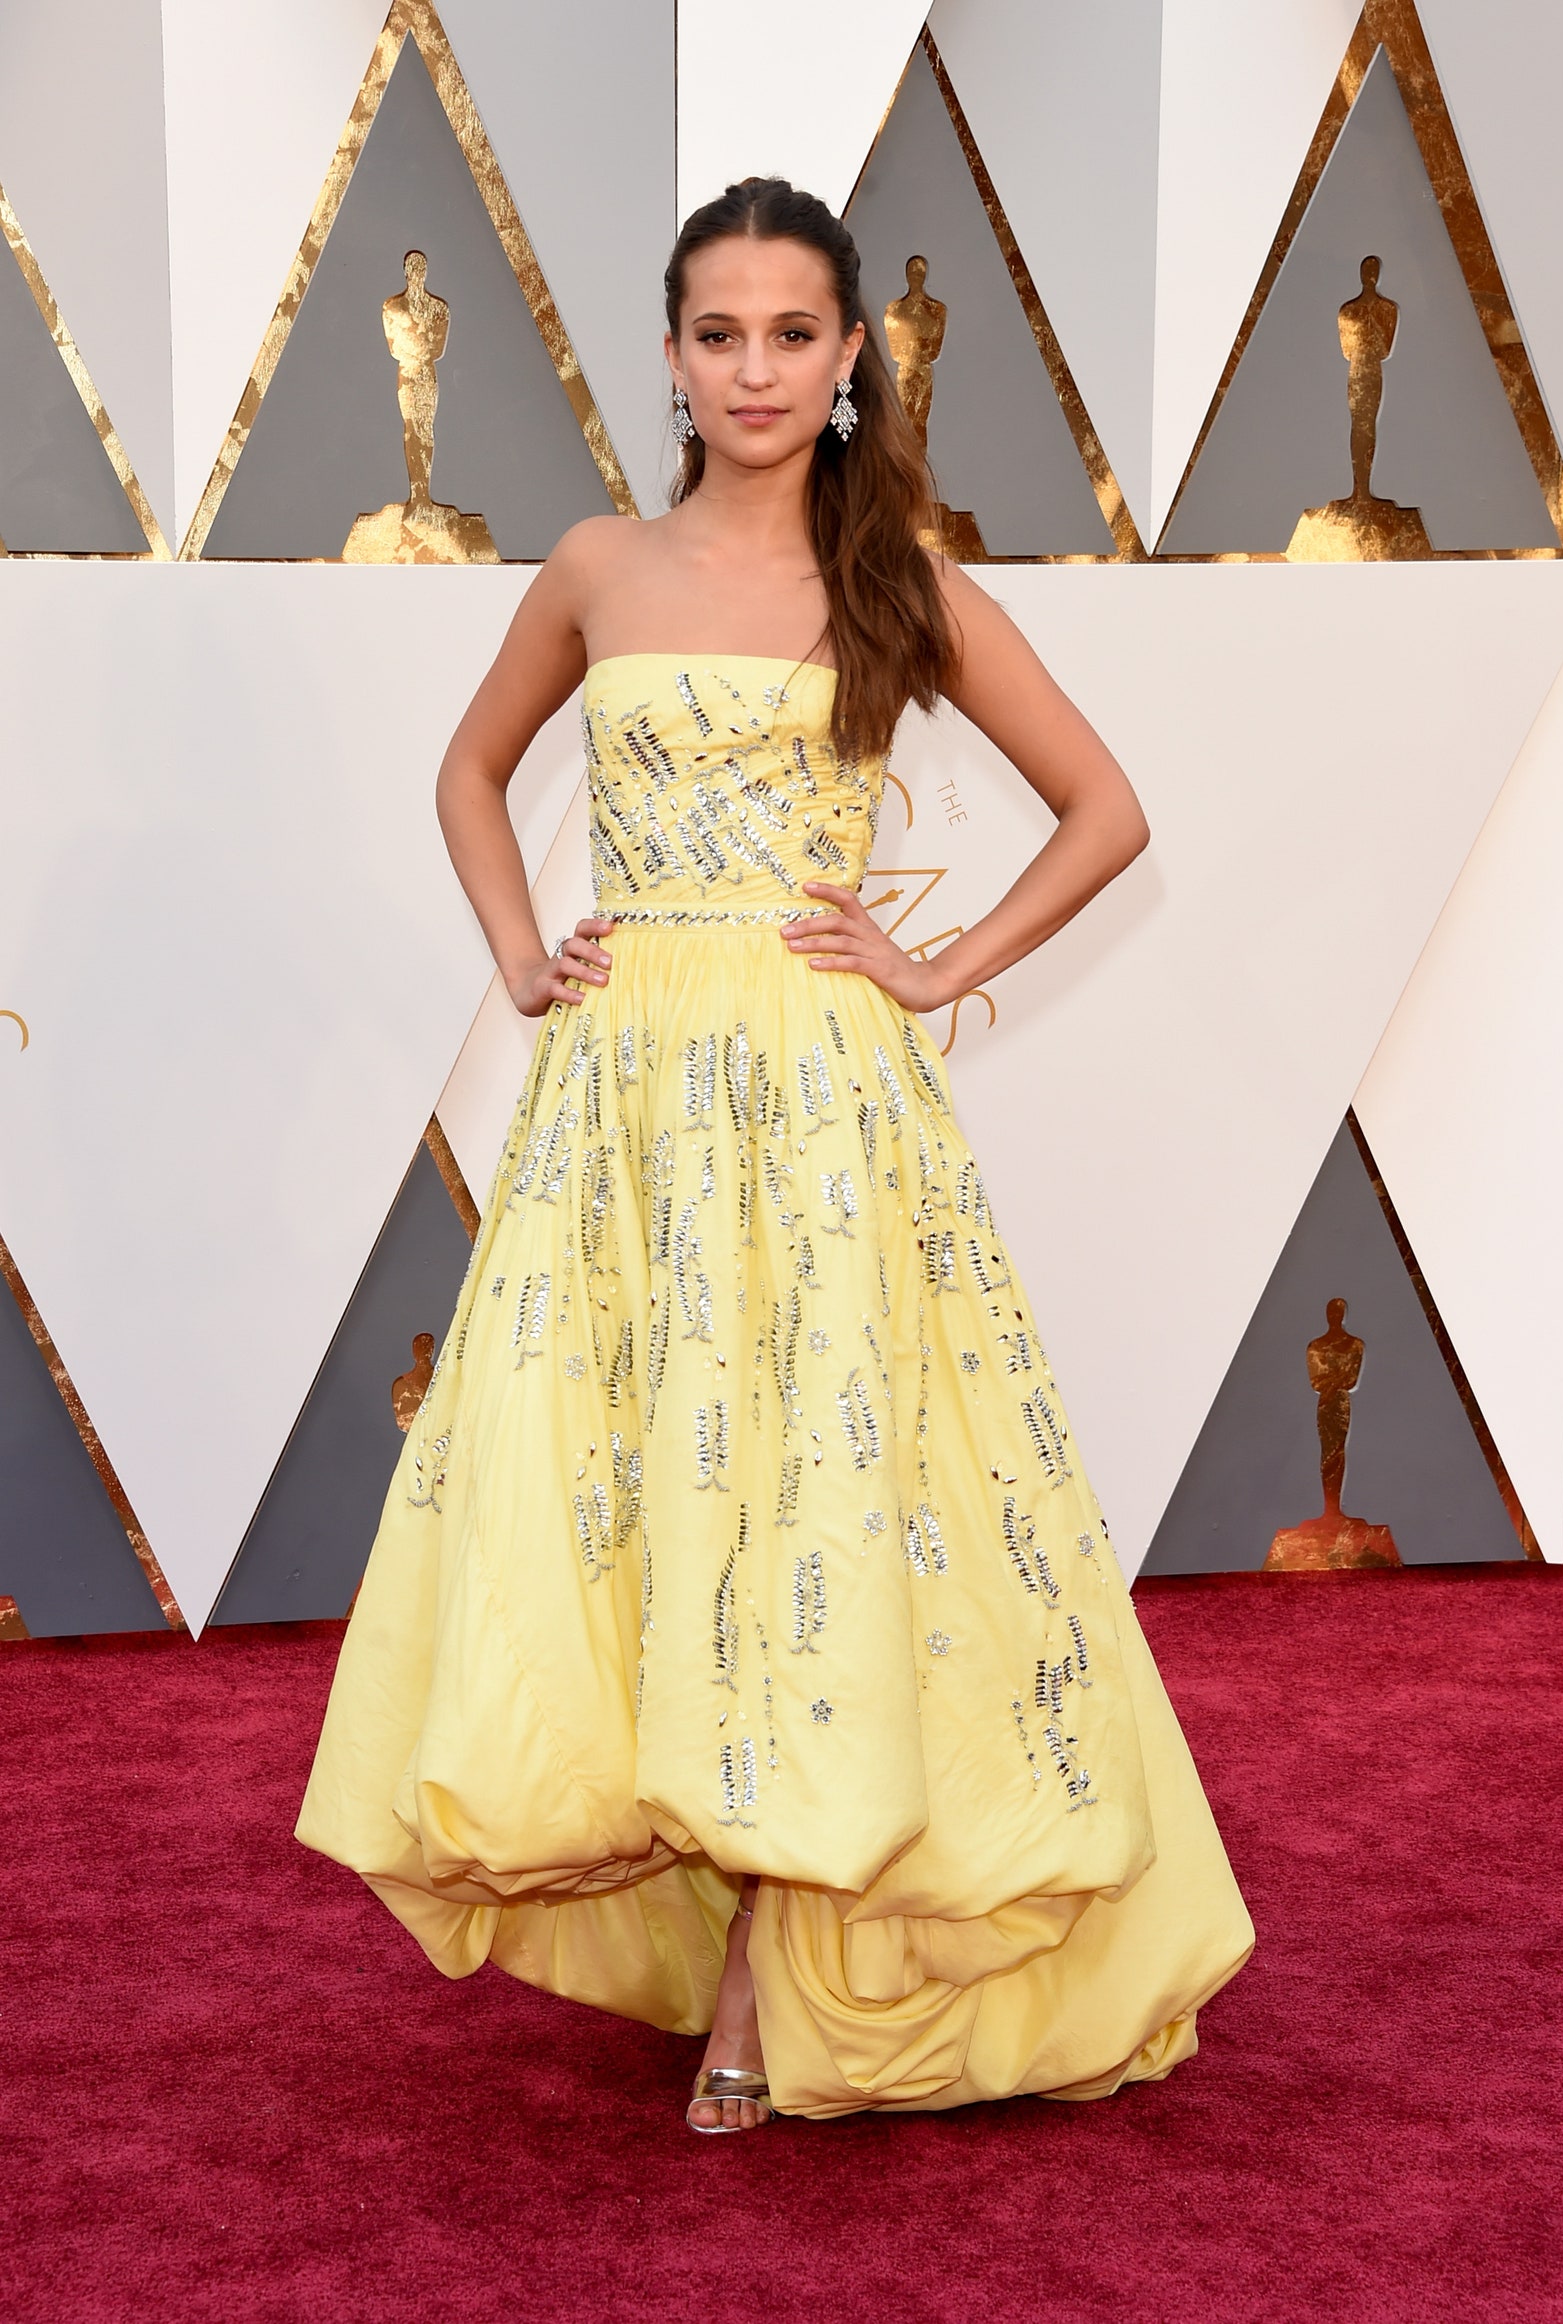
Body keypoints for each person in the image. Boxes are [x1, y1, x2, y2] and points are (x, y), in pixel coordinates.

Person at [296, 177, 1253, 2134]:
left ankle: (765, 1958)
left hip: (819, 1098)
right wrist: (515, 946)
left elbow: (1104, 808)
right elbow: (469, 769)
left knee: (810, 1490)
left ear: (842, 364)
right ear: (668, 356)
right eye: (717, 332)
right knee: (658, 1483)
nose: (751, 366)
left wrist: (930, 965)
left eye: (790, 334)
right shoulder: (591, 564)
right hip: (624, 1095)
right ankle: (695, 1862)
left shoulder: (890, 573)